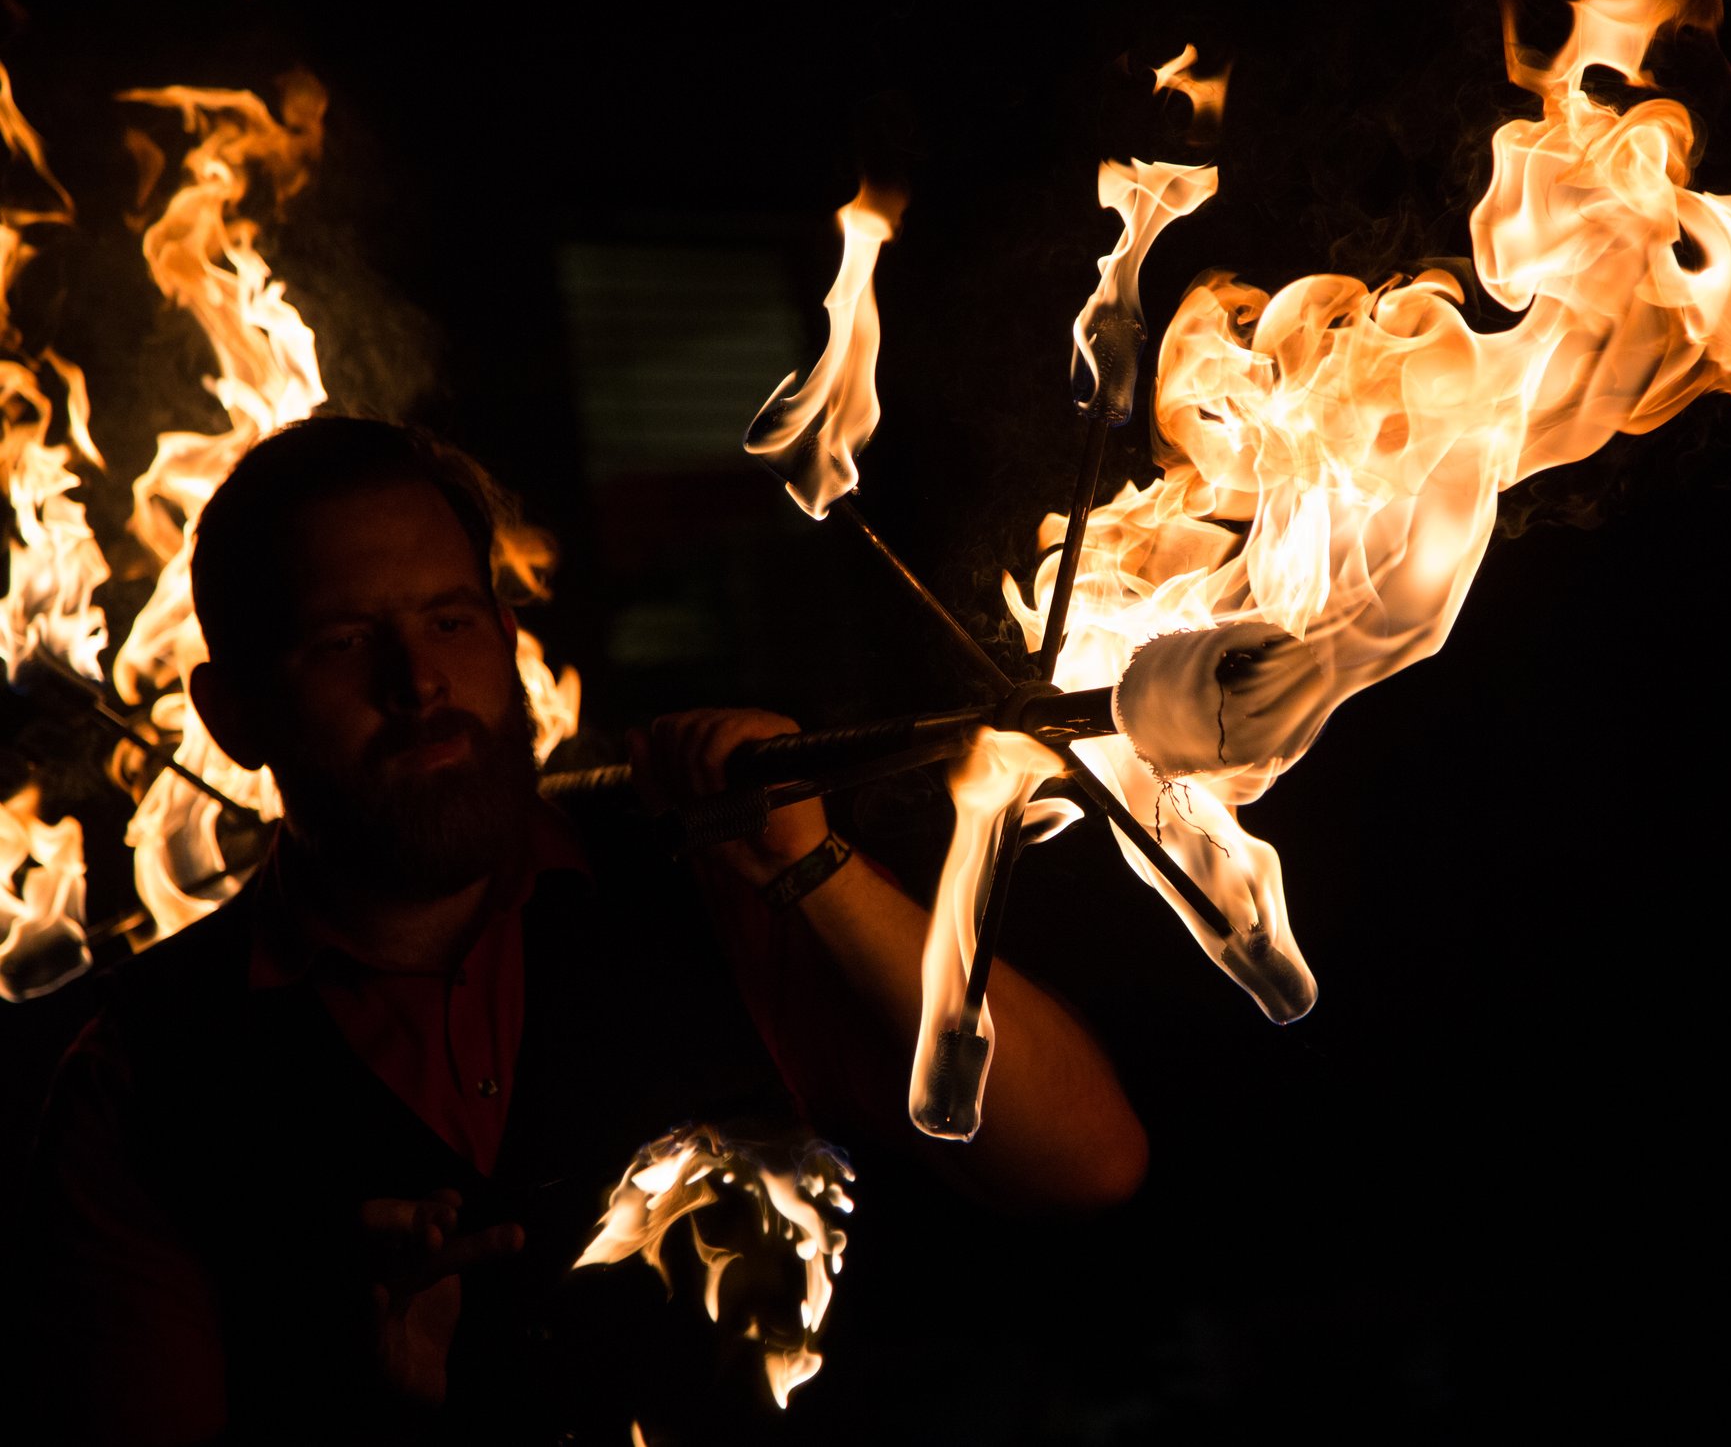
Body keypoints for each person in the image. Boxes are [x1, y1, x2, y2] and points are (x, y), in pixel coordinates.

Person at [21, 417, 1147, 1445]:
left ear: (506, 637)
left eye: (451, 620)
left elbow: (1086, 1162)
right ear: (231, 716)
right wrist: (347, 1395)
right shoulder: (145, 1071)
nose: (420, 681)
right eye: (344, 642)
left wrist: (811, 868)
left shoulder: (714, 883)